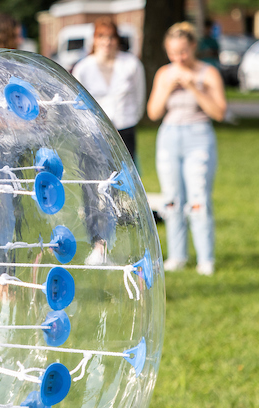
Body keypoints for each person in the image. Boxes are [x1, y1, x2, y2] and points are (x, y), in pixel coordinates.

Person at [147, 22, 227, 275]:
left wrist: (194, 87)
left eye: (183, 52)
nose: (178, 58)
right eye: (173, 53)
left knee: (198, 197)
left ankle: (206, 258)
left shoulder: (208, 73)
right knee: (172, 199)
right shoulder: (164, 74)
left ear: (193, 46)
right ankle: (177, 256)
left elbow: (219, 112)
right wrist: (169, 87)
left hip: (199, 136)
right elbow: (152, 113)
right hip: (170, 136)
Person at [72, 17, 146, 265]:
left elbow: (138, 99)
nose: (107, 42)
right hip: (91, 135)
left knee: (118, 190)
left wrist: (125, 122)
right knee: (93, 189)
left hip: (123, 130)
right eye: (102, 37)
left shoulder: (131, 65)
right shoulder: (83, 67)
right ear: (94, 40)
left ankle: (117, 244)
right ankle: (98, 246)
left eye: (111, 37)